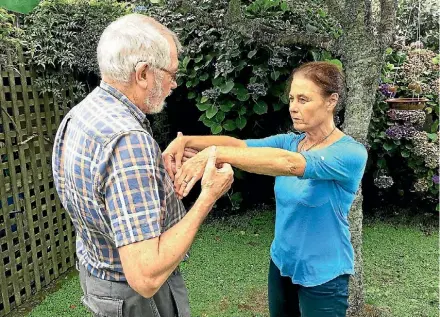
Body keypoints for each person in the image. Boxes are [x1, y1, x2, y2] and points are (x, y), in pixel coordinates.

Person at [52, 14, 233, 317]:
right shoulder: (128, 140)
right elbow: (146, 277)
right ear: (143, 73)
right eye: (171, 74)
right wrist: (208, 197)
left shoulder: (82, 114)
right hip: (136, 300)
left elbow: (101, 193)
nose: (174, 84)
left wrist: (152, 173)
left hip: (100, 280)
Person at [163, 61, 368, 317]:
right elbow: (239, 146)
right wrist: (186, 141)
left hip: (324, 274)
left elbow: (290, 165)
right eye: (292, 98)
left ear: (331, 101)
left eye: (303, 99)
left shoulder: (350, 153)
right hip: (282, 263)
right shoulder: (290, 142)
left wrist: (212, 155)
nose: (293, 107)